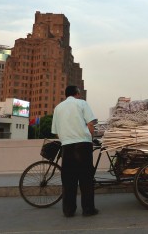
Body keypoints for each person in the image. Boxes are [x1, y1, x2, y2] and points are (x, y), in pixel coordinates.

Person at [51, 85, 99, 217]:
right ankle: (88, 209)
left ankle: (68, 210)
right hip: (83, 145)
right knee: (86, 179)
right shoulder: (82, 103)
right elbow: (90, 124)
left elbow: (55, 132)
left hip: (66, 147)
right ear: (77, 94)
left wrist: (66, 138)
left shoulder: (58, 108)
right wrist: (91, 137)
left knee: (68, 180)